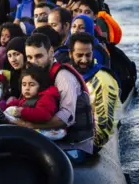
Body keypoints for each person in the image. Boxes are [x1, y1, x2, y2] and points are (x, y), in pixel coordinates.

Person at [22, 33, 94, 161]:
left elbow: (66, 118)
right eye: (30, 57)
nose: (34, 62)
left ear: (50, 52)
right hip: (52, 141)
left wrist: (28, 125)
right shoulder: (38, 77)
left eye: (39, 56)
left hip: (74, 146)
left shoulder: (63, 77)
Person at [68, 32, 121, 152]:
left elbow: (104, 126)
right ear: (70, 54)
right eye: (79, 55)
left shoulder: (103, 80)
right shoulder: (66, 74)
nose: (84, 60)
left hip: (87, 143)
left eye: (88, 55)